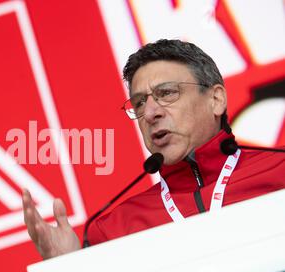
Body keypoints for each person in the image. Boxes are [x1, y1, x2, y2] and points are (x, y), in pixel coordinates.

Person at [22, 39, 285, 260]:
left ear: (216, 100)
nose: (150, 113)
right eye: (138, 103)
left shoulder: (279, 171)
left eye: (167, 93)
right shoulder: (113, 228)